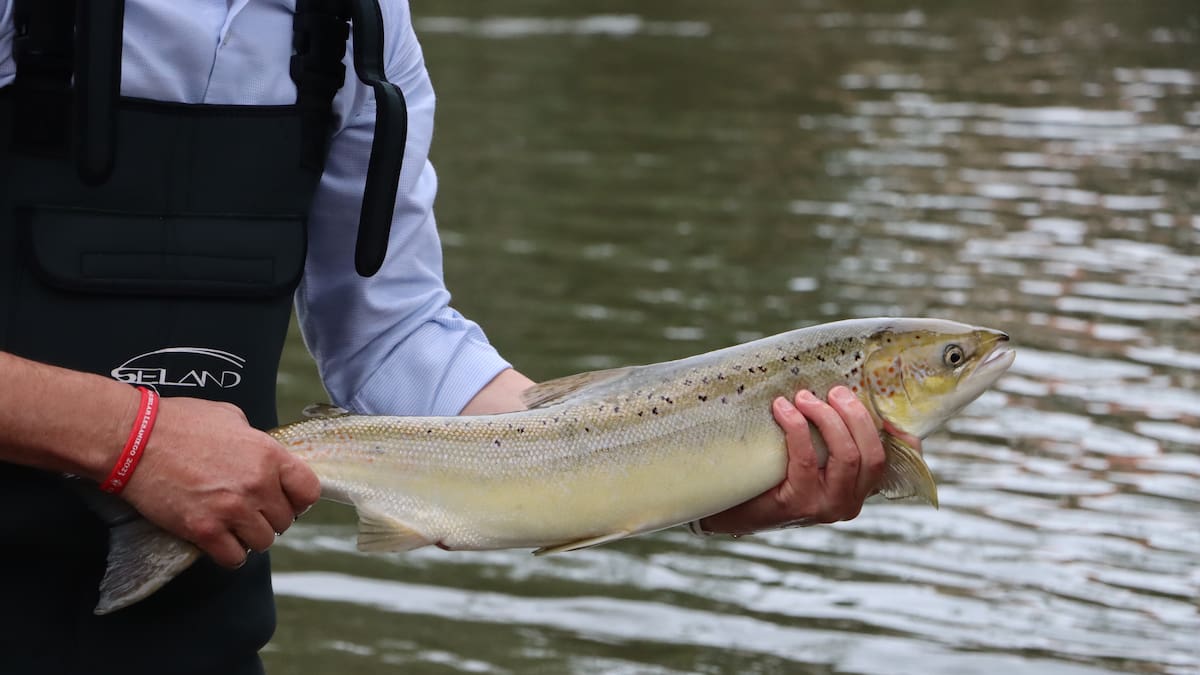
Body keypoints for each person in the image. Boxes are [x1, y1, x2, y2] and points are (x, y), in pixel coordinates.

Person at [0, 2, 898, 674]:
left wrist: (689, 474)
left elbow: (391, 333)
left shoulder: (360, 23)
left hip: (199, 633)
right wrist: (131, 439)